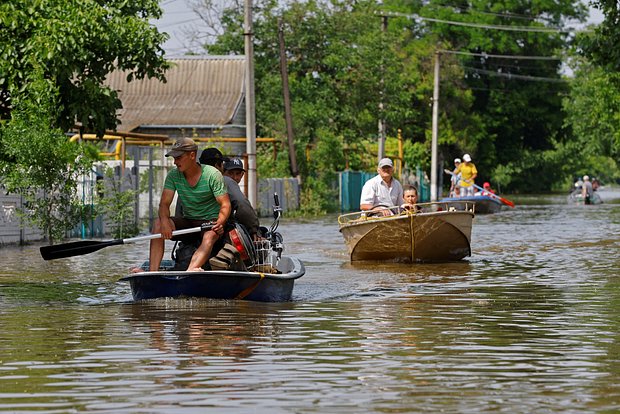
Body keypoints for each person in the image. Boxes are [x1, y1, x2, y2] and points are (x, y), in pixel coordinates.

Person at [144, 138, 231, 272]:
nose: (175, 162)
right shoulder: (173, 175)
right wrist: (165, 221)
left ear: (192, 155)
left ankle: (191, 270)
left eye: (178, 157)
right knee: (158, 224)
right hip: (189, 221)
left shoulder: (212, 174)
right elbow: (164, 204)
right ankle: (152, 272)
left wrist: (220, 222)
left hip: (210, 223)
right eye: (174, 158)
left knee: (209, 236)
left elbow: (225, 205)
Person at [223, 157, 261, 240]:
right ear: (223, 172)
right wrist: (254, 230)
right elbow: (242, 204)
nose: (234, 177)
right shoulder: (227, 182)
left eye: (238, 173)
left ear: (242, 175)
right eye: (230, 173)